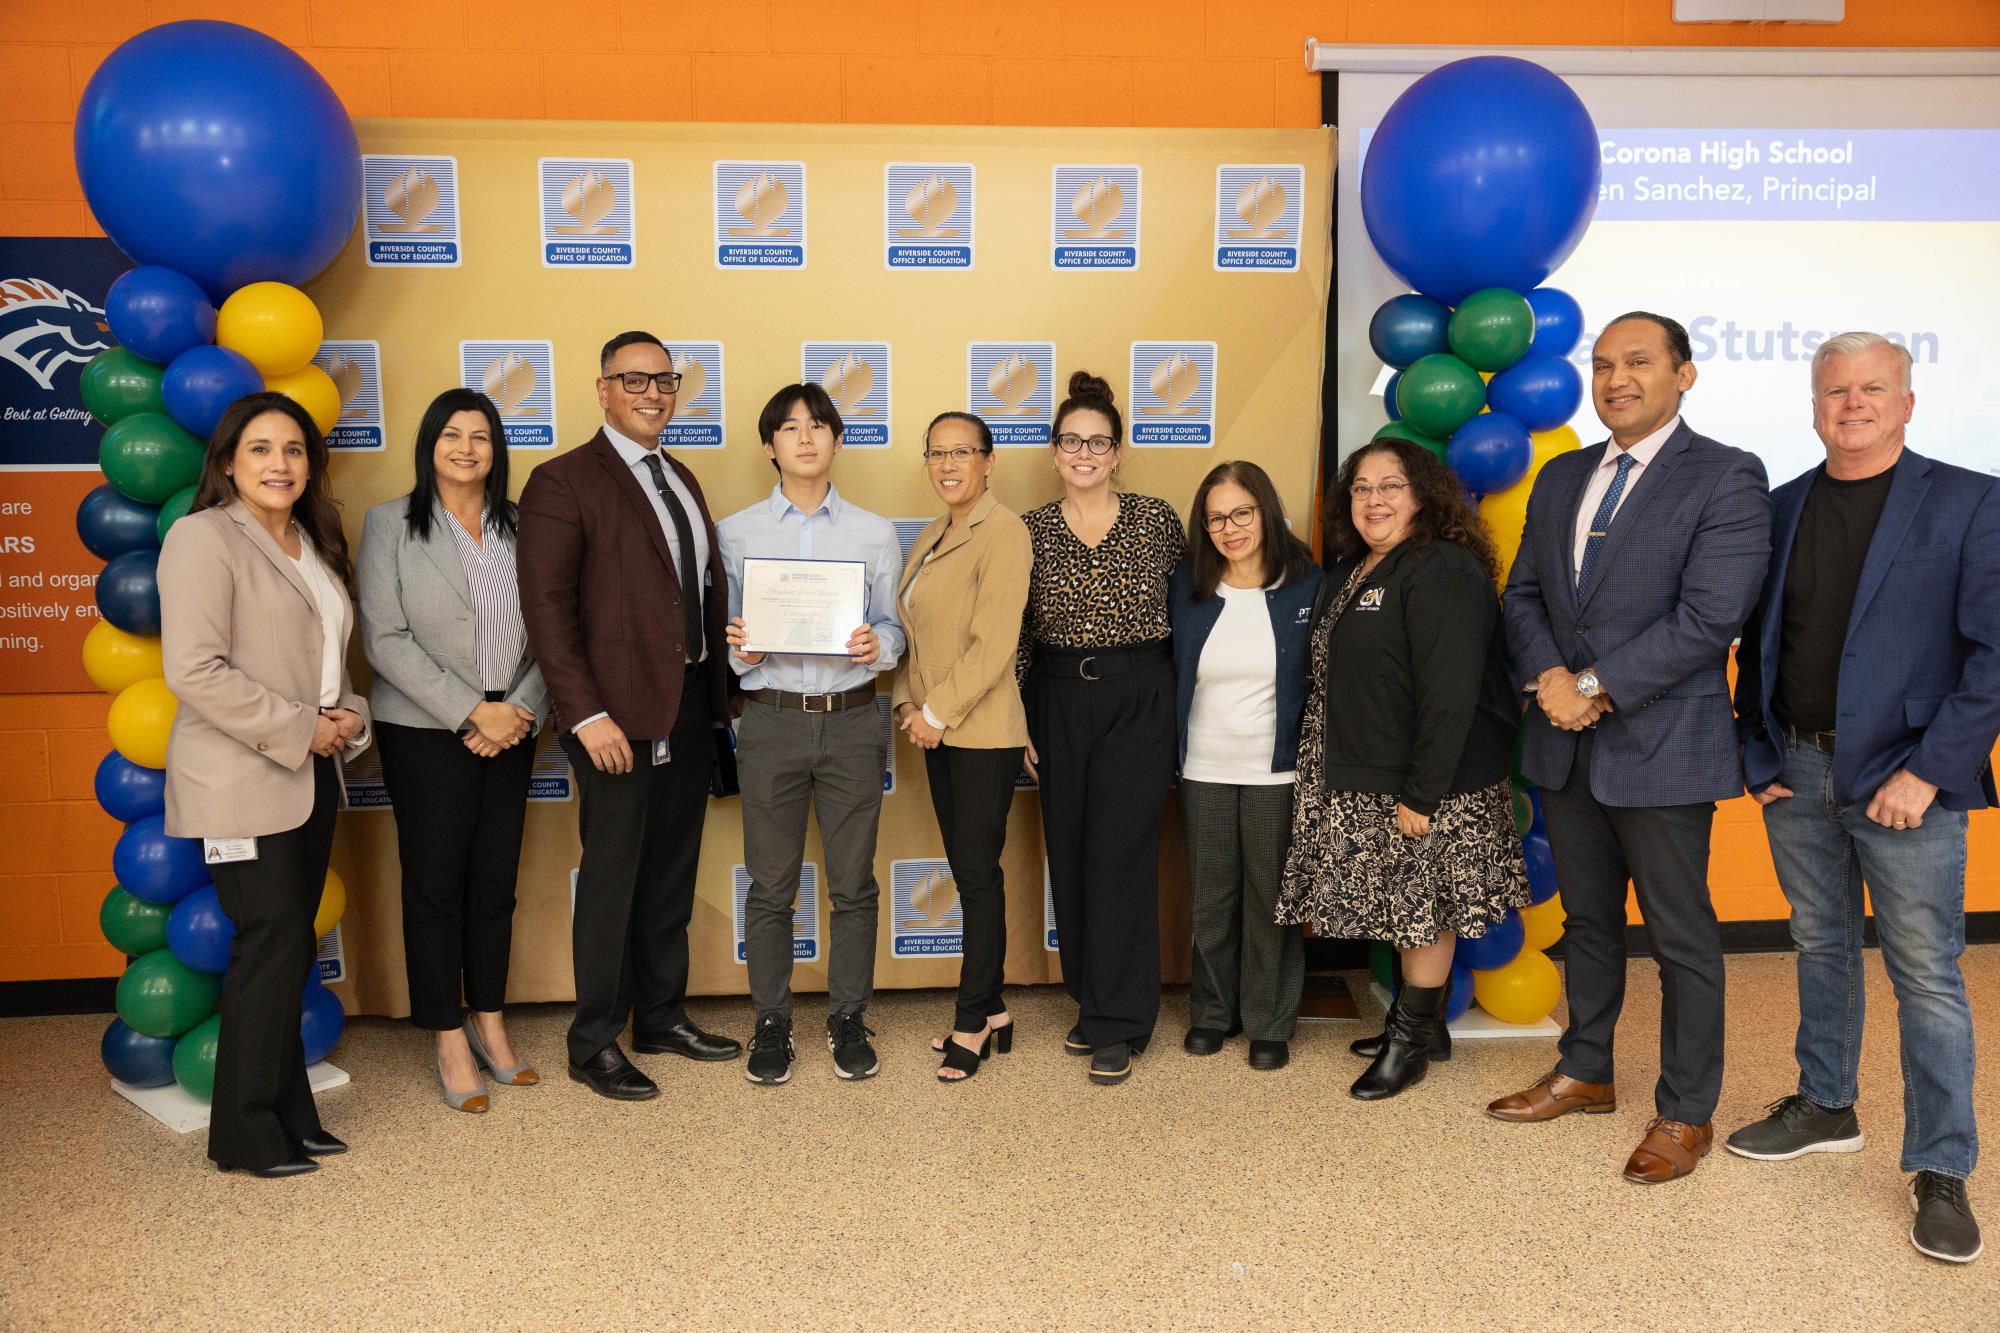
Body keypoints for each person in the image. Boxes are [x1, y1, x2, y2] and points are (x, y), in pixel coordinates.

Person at [1729, 332, 2000, 1263]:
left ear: (1907, 402)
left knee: (1925, 972)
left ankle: (1942, 1166)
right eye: (1836, 390)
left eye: (1873, 387)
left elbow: (1993, 656)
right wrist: (1755, 749)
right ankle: (1826, 1103)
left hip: (1909, 779)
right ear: (1814, 407)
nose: (1853, 403)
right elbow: (1760, 642)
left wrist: (1930, 772)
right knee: (1820, 943)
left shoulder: (1971, 501)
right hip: (1798, 770)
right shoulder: (1781, 506)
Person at [1490, 312, 1771, 1184]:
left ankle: (1686, 1111)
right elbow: (1523, 594)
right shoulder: (1562, 474)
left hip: (1663, 746)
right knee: (1588, 922)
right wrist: (1549, 678)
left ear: (1683, 374)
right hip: (1564, 745)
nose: (1616, 379)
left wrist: (1592, 686)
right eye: (1604, 364)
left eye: (1638, 362)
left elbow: (1710, 616)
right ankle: (1586, 1069)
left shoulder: (1726, 474)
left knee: (1682, 937)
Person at [517, 331, 738, 1102]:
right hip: (612, 719)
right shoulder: (562, 480)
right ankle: (593, 1041)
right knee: (613, 879)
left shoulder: (680, 476)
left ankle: (661, 1015)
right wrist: (585, 716)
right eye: (634, 379)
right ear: (603, 389)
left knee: (671, 872)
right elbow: (548, 611)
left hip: (688, 706)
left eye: (664, 379)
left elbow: (691, 594)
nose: (653, 393)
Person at [158, 391, 371, 1177]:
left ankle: (290, 1112)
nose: (279, 463)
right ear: (226, 461)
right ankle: (245, 1132)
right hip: (241, 779)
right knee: (268, 942)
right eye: (260, 448)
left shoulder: (313, 542)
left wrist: (348, 716)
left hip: (311, 774)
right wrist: (299, 726)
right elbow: (195, 670)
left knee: (288, 944)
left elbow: (328, 664)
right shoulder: (202, 538)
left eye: (293, 449)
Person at [1275, 440, 1525, 1098]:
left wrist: (1424, 791)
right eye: (1361, 488)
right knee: (1404, 905)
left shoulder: (1443, 569)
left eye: (1391, 485)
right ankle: (1422, 1026)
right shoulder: (1355, 568)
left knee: (1421, 909)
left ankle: (1408, 1045)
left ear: (1423, 495)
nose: (1374, 499)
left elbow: (1451, 691)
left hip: (1428, 782)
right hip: (1371, 769)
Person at [357, 388, 548, 1114]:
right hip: (425, 729)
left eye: (481, 436)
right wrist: (471, 712)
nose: (466, 449)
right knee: (436, 887)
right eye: (452, 435)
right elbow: (384, 639)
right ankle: (445, 1033)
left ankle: (490, 1021)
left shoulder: (525, 526)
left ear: (497, 450)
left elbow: (553, 628)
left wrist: (519, 710)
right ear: (429, 445)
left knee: (494, 883)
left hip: (515, 724)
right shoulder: (390, 524)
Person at [718, 383, 905, 1086]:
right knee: (771, 887)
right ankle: (772, 1022)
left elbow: (893, 627)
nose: (804, 438)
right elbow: (725, 637)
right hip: (770, 721)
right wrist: (744, 650)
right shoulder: (735, 533)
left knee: (854, 884)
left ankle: (848, 1016)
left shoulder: (872, 532)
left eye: (818, 425)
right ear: (769, 445)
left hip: (853, 719)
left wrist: (878, 646)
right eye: (790, 427)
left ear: (836, 440)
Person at [1020, 371, 1183, 1086]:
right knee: (1071, 851)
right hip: (1056, 698)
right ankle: (1093, 1001)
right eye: (1071, 441)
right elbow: (1017, 634)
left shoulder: (1155, 520)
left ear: (1117, 452)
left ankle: (1120, 1020)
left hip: (1139, 695)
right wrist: (1019, 720)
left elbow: (1191, 611)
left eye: (1098, 441)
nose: (1084, 453)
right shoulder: (1029, 529)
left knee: (1120, 856)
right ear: (1054, 452)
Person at [892, 412, 1033, 1084]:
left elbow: (993, 643)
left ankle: (971, 1018)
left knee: (976, 878)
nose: (948, 465)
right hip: (936, 728)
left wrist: (935, 711)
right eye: (937, 453)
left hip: (980, 732)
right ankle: (996, 1008)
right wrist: (906, 702)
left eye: (962, 452)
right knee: (970, 871)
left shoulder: (1003, 531)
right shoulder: (932, 533)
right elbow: (915, 636)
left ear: (988, 461)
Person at [1167, 460, 1321, 1072]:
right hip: (1203, 767)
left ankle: (1269, 1021)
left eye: (1241, 514)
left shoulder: (1308, 584)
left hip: (1276, 773)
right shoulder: (1188, 584)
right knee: (1211, 897)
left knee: (1269, 900)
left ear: (1266, 512)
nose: (1230, 529)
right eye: (1216, 519)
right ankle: (1212, 1012)